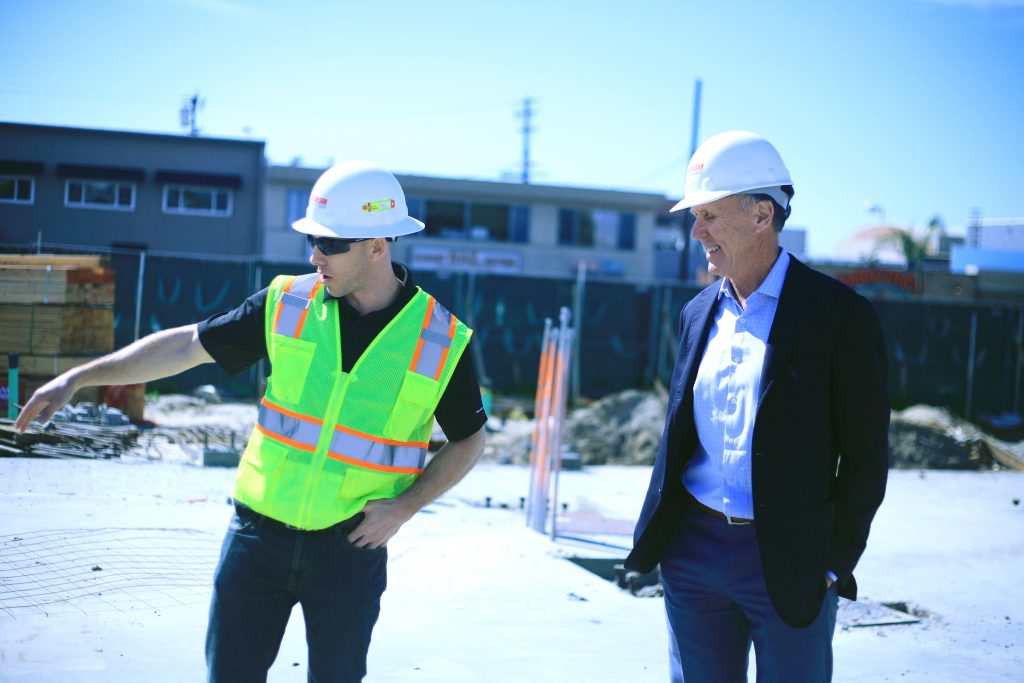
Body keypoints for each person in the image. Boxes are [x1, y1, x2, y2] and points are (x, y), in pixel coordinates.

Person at [15, 160, 487, 682]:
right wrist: (79, 377)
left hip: (350, 551)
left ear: (377, 245)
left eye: (330, 244)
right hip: (256, 541)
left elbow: (468, 439)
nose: (314, 256)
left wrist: (406, 506)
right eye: (312, 240)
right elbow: (186, 344)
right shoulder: (288, 302)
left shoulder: (440, 338)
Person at [626, 131, 889, 683]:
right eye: (694, 217)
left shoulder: (839, 318)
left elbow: (866, 459)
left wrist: (832, 563)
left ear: (762, 214)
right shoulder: (697, 313)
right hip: (692, 555)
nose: (696, 232)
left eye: (710, 217)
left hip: (791, 562)